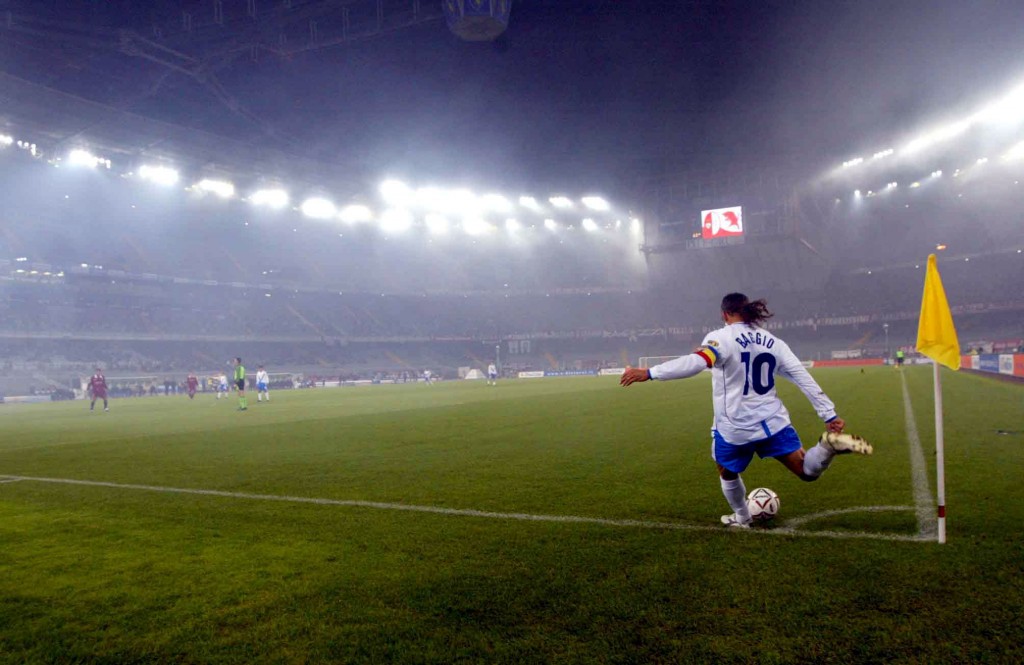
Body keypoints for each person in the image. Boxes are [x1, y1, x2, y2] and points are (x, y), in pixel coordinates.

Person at [620, 293, 872, 528]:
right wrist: (828, 413)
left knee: (726, 470)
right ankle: (827, 447)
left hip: (735, 427)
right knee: (807, 470)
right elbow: (800, 375)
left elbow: (698, 362)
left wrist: (650, 373)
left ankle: (742, 516)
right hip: (773, 423)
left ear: (724, 314)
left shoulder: (721, 338)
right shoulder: (774, 342)